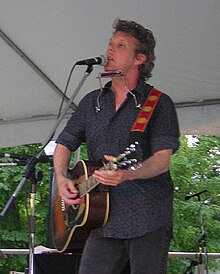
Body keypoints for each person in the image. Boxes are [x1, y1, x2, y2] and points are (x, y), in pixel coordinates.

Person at [53, 18, 180, 274]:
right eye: (110, 44)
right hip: (102, 219)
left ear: (139, 59)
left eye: (120, 46)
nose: (109, 50)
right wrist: (61, 177)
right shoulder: (92, 102)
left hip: (147, 215)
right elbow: (64, 143)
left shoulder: (158, 103)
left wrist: (128, 174)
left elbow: (161, 160)